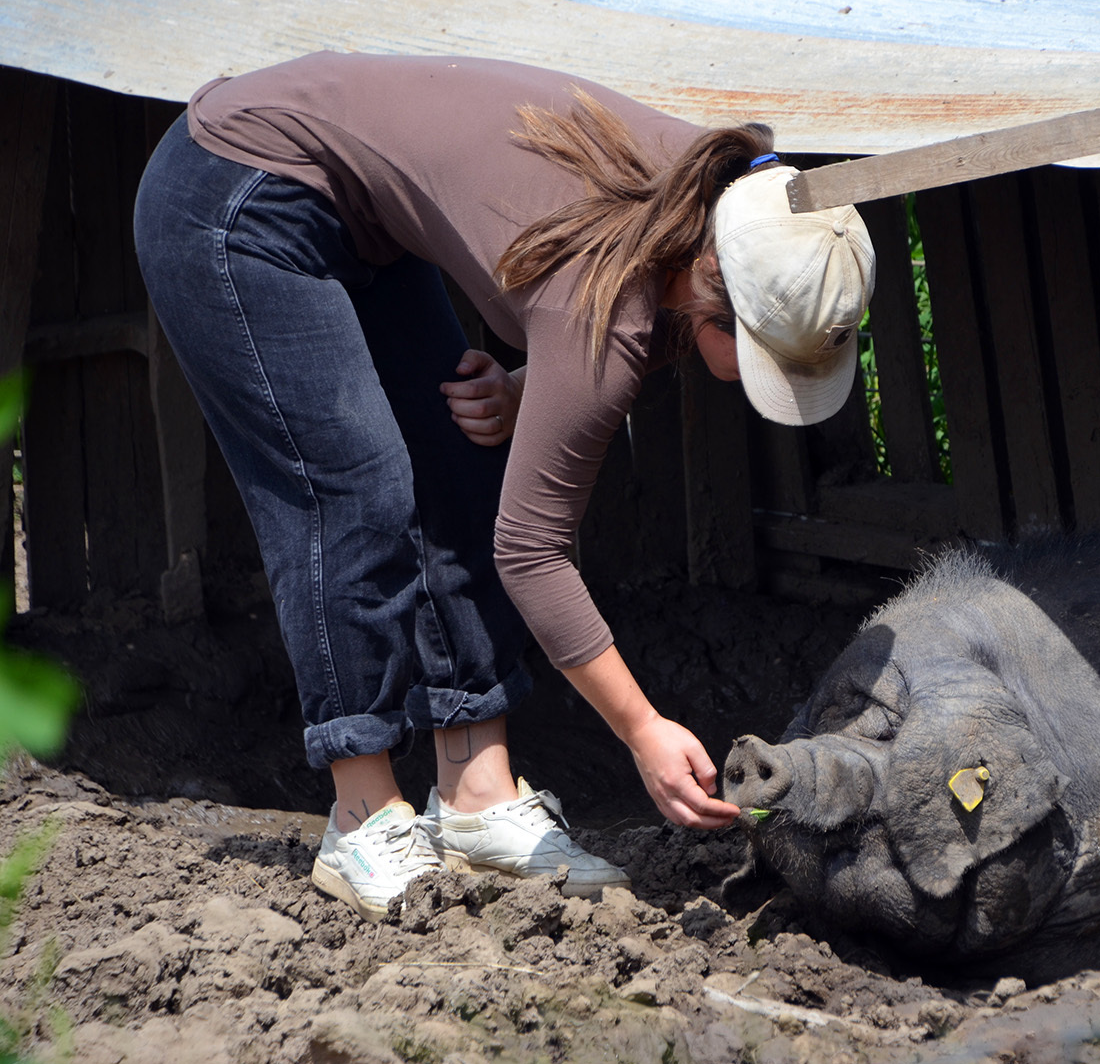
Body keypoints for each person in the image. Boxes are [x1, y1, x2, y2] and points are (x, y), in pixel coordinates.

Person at [132, 51, 875, 921]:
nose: (743, 378)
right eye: (751, 352)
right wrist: (643, 730)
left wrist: (525, 388)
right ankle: (362, 812)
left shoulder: (727, 200)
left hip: (354, 209)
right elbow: (533, 551)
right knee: (351, 488)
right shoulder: (610, 296)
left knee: (461, 453)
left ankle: (477, 798)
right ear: (712, 294)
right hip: (234, 189)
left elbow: (592, 319)